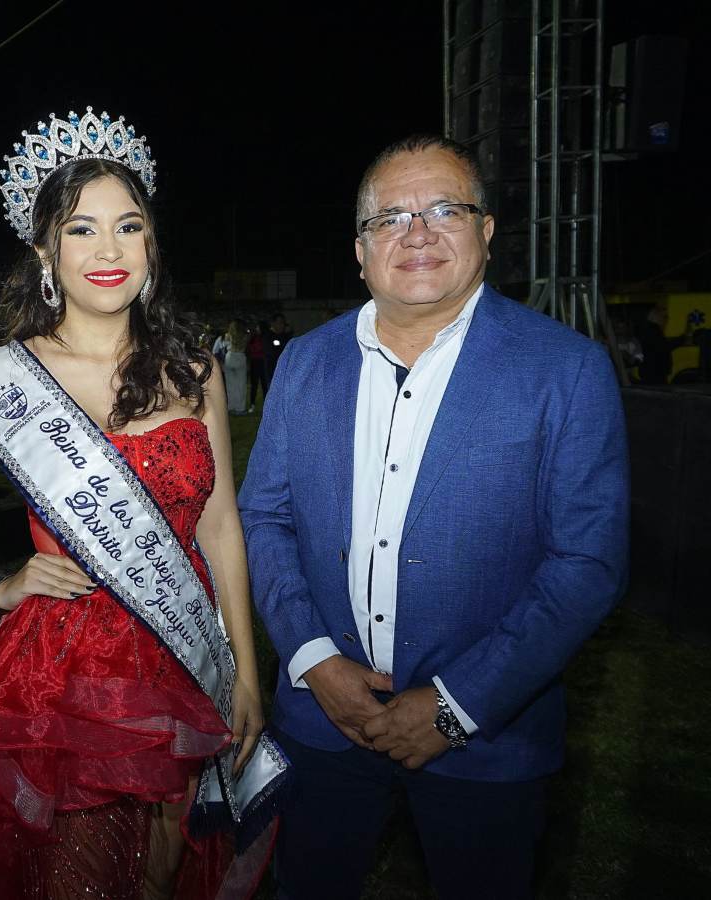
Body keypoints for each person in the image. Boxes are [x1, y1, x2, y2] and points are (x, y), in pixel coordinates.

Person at [238, 134, 629, 899]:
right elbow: (265, 519)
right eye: (390, 217)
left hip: (489, 740)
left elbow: (586, 565)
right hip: (324, 723)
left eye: (445, 208)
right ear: (360, 250)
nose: (417, 232)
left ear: (486, 233)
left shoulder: (567, 370)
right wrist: (315, 661)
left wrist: (456, 708)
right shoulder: (305, 362)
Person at [0, 107, 285, 900]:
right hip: (63, 681)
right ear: (46, 251)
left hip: (185, 662)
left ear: (152, 243)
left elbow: (219, 528)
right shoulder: (5, 381)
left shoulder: (196, 371)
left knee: (166, 873)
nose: (108, 250)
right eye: (82, 230)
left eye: (128, 226)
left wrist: (247, 674)